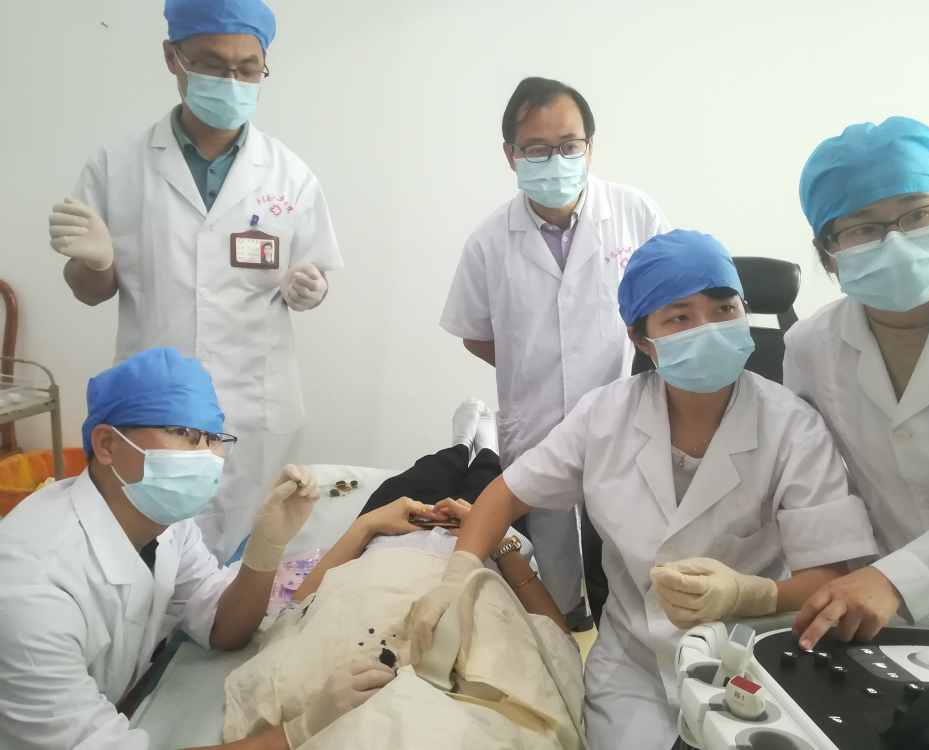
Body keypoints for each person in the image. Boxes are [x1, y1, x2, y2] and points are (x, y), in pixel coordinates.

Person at [411, 230, 879, 749]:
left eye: (724, 309)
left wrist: (749, 594)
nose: (707, 328)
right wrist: (455, 578)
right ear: (641, 340)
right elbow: (506, 494)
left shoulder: (794, 427)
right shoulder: (604, 415)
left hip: (746, 654)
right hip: (632, 665)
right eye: (679, 317)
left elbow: (830, 574)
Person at [46, 0, 341, 564]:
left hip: (255, 401)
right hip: (153, 402)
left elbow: (314, 275)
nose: (231, 81)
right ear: (172, 58)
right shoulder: (115, 165)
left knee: (246, 550)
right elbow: (89, 291)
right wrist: (97, 262)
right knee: (145, 547)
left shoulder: (290, 175)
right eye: (211, 63)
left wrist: (312, 291)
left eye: (247, 68)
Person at [0, 348, 392, 750]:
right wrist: (295, 733)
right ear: (107, 445)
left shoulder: (164, 522)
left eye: (213, 437)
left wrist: (266, 548)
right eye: (182, 433)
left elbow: (225, 628)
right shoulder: (30, 589)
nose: (206, 455)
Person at [440, 76, 671, 626]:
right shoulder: (488, 241)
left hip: (624, 415)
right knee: (551, 561)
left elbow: (671, 304)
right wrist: (539, 367)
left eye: (569, 145)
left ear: (590, 147)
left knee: (630, 554)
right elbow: (475, 333)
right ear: (510, 155)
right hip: (536, 421)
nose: (556, 160)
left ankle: (624, 635)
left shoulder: (635, 214)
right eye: (537, 149)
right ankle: (564, 630)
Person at [786, 116, 929, 650]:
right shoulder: (810, 347)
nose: (897, 242)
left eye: (919, 214)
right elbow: (815, 488)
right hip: (886, 624)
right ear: (828, 253)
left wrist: (899, 578)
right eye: (863, 228)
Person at [291, 398, 566, 634]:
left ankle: (459, 448)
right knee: (491, 479)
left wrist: (366, 525)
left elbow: (293, 614)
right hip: (491, 548)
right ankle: (488, 452)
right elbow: (562, 644)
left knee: (426, 472)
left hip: (389, 531)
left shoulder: (316, 653)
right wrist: (502, 545)